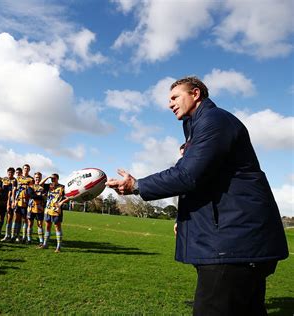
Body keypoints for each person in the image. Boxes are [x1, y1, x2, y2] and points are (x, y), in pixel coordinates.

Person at [106, 76, 289, 315]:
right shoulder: (199, 126)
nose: (169, 104)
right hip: (236, 242)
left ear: (195, 94)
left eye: (175, 97)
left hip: (232, 244)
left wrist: (137, 185)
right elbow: (204, 182)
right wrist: (182, 220)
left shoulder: (215, 121)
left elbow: (188, 175)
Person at [40, 173, 68, 252]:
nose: (52, 180)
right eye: (52, 179)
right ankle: (45, 244)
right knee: (47, 226)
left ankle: (58, 247)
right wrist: (48, 177)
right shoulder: (49, 186)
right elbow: (40, 184)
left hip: (56, 210)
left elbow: (69, 196)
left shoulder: (62, 187)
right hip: (48, 210)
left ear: (57, 179)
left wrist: (61, 203)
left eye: (54, 178)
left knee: (57, 227)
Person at [11, 164, 33, 242]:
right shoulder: (17, 179)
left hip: (26, 203)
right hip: (17, 201)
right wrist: (13, 201)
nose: (26, 169)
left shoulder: (31, 179)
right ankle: (14, 236)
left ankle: (24, 237)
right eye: (25, 168)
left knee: (25, 219)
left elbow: (31, 192)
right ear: (23, 169)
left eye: (27, 168)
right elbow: (14, 190)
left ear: (29, 170)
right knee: (16, 218)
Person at [26, 172, 46, 244]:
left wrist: (39, 196)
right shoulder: (30, 187)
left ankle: (41, 241)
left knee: (40, 225)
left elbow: (45, 197)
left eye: (39, 177)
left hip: (40, 208)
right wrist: (41, 196)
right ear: (34, 178)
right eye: (36, 177)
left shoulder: (44, 187)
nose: (37, 179)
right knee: (30, 224)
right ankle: (29, 239)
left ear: (41, 178)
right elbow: (32, 196)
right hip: (31, 208)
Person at [0, 167, 17, 240]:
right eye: (9, 172)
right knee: (1, 216)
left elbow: (12, 192)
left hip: (10, 201)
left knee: (9, 218)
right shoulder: (4, 179)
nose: (10, 174)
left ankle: (8, 235)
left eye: (11, 172)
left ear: (13, 173)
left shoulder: (15, 181)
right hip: (2, 200)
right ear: (7, 172)